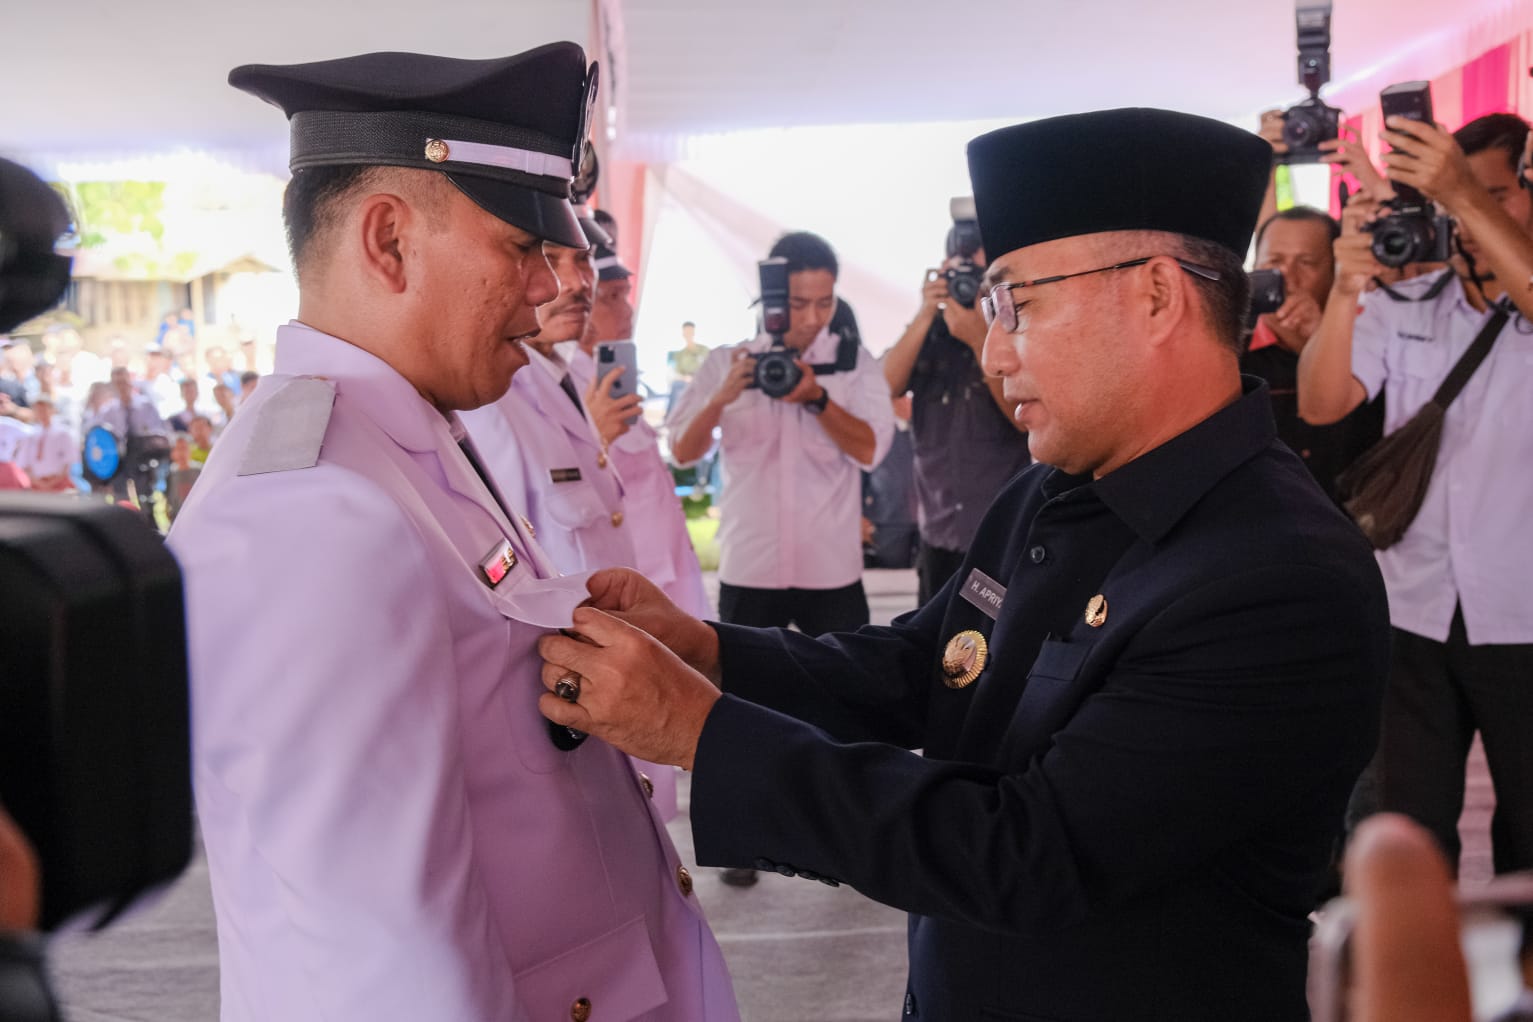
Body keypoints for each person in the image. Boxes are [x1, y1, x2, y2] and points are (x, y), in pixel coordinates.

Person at [539, 108, 1390, 1020]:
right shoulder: (1057, 486)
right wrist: (709, 653)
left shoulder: (1274, 577)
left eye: (1018, 303)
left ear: (1155, 296)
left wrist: (703, 733)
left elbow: (1030, 854)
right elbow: (930, 665)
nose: (993, 352)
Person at [165, 44, 737, 1022]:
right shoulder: (310, 510)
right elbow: (371, 961)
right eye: (520, 249)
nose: (544, 291)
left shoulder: (410, 441)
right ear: (388, 241)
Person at [1298, 112, 1533, 876]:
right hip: (1412, 608)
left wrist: (1461, 194)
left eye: (1494, 192)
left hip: (1523, 613)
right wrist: (1346, 290)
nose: (1469, 212)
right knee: (1404, 834)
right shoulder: (1414, 305)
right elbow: (1321, 404)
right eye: (1455, 195)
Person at [667, 231, 895, 636]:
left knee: (843, 691)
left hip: (831, 569)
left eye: (825, 303)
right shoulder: (725, 362)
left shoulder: (853, 364)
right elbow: (683, 453)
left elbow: (872, 450)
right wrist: (719, 400)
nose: (812, 318)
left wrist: (818, 399)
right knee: (744, 690)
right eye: (797, 304)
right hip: (750, 566)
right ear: (771, 299)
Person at [563, 218, 712, 621]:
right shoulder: (565, 385)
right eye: (610, 297)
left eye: (624, 295)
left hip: (670, 574)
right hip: (634, 583)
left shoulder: (612, 378)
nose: (626, 309)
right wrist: (595, 435)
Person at [882, 199, 1030, 603]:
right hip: (937, 533)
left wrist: (978, 336)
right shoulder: (929, 331)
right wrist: (925, 311)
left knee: (989, 650)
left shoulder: (1014, 328)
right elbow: (882, 391)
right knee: (930, 650)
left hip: (997, 534)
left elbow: (1023, 421)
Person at [1240, 207, 1383, 501]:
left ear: (1335, 271)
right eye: (1274, 261)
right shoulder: (1230, 348)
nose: (1287, 277)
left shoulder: (1371, 338)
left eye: (1306, 262)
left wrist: (1320, 338)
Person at [14, 395, 75, 492]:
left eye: (44, 409)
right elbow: (23, 463)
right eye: (38, 410)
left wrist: (52, 483)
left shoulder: (63, 434)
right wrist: (38, 483)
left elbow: (68, 462)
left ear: (52, 410)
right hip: (36, 484)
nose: (42, 413)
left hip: (58, 483)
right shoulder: (30, 434)